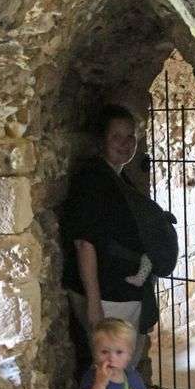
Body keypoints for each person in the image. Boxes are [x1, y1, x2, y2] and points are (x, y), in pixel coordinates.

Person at [62, 104, 157, 366]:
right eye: (116, 137)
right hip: (107, 294)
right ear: (102, 140)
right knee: (111, 371)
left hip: (119, 292)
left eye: (130, 137)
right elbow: (84, 243)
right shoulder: (91, 182)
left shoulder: (117, 177)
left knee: (121, 370)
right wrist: (94, 304)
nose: (125, 144)